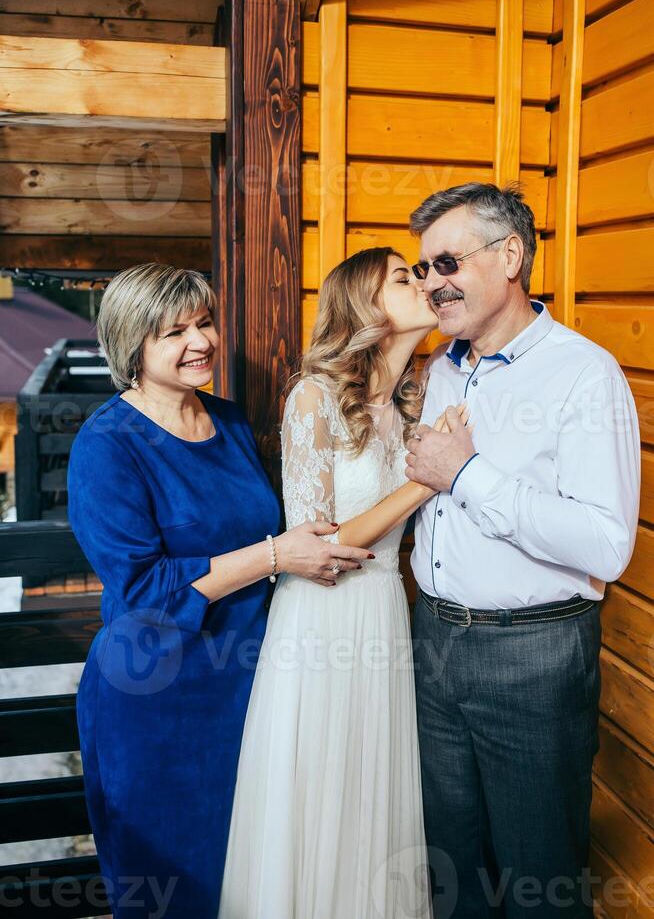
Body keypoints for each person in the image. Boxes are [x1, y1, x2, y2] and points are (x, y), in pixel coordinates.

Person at [67, 262, 373, 919]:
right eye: (173, 331)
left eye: (203, 322)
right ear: (132, 346)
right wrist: (273, 556)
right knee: (171, 890)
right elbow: (143, 587)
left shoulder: (230, 422)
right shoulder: (105, 444)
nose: (199, 341)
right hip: (154, 701)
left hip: (245, 689)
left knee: (245, 884)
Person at [405, 183, 641, 918]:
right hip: (434, 642)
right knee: (452, 865)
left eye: (446, 261)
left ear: (510, 255)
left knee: (538, 871)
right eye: (421, 270)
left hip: (532, 656)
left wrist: (468, 475)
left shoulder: (583, 374)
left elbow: (607, 542)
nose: (432, 282)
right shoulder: (441, 367)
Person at [218, 247, 467, 919]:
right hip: (321, 620)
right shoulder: (313, 397)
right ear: (364, 305)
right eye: (404, 278)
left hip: (385, 612)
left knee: (372, 792)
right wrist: (427, 479)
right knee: (319, 788)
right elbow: (321, 546)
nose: (424, 285)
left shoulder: (419, 398)